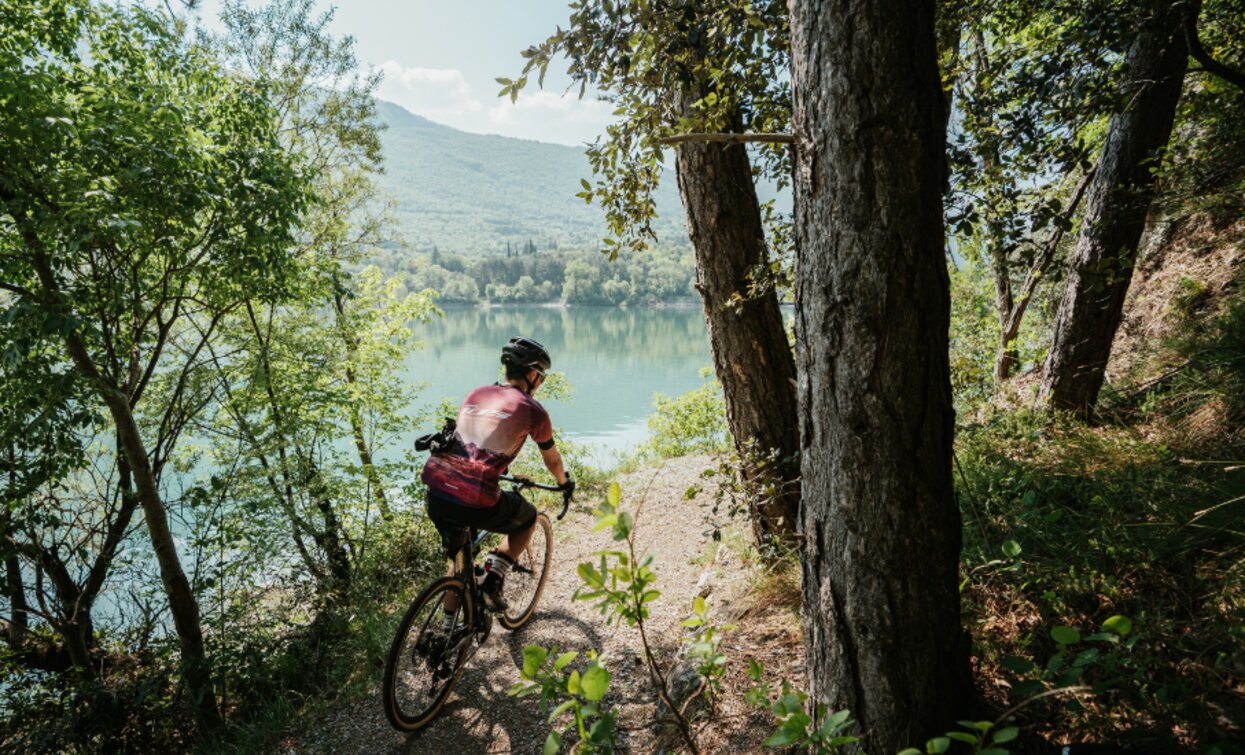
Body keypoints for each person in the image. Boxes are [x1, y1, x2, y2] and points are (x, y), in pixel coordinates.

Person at [420, 336, 573, 611]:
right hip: (475, 498)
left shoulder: (476, 394)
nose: (541, 382)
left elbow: (473, 444)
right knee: (527, 517)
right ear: (531, 374)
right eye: (542, 376)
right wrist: (564, 483)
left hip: (436, 492)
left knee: (458, 563)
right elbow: (552, 460)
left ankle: (445, 632)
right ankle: (493, 579)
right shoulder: (533, 410)